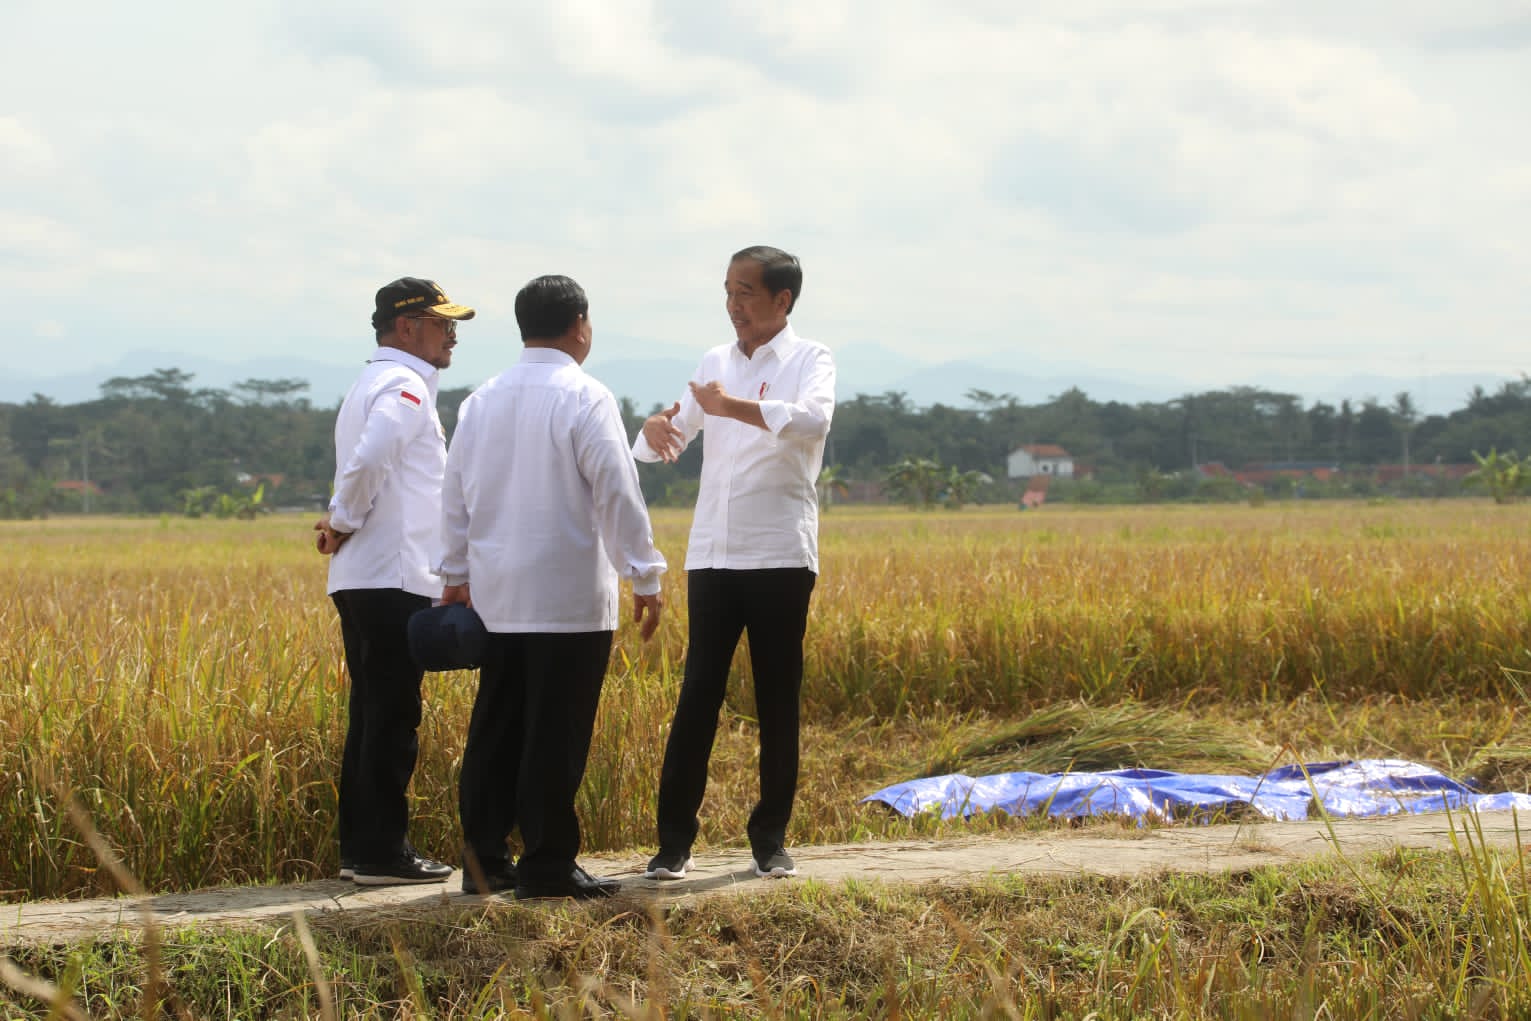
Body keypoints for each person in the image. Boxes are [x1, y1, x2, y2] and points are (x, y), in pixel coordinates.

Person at [439, 274, 666, 900]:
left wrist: (455, 575)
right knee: (554, 734)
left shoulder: (479, 401)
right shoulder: (586, 397)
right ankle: (546, 865)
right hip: (567, 598)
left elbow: (453, 496)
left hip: (496, 595)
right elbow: (617, 493)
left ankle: (483, 864)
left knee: (496, 729)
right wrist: (644, 574)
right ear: (580, 325)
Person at [634, 245, 835, 881]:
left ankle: (770, 839)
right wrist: (653, 427)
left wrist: (731, 408)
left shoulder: (811, 359)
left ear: (783, 301)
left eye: (746, 292)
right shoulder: (715, 362)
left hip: (779, 554)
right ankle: (673, 845)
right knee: (698, 696)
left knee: (778, 698)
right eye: (728, 291)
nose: (734, 305)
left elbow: (811, 421)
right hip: (713, 557)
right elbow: (666, 437)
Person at [313, 276, 475, 886]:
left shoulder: (374, 381)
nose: (451, 336)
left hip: (367, 575)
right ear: (407, 327)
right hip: (393, 576)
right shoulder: (405, 386)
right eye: (442, 323)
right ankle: (381, 852)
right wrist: (343, 517)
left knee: (373, 711)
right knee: (392, 713)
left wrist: (341, 516)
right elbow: (376, 452)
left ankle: (364, 849)